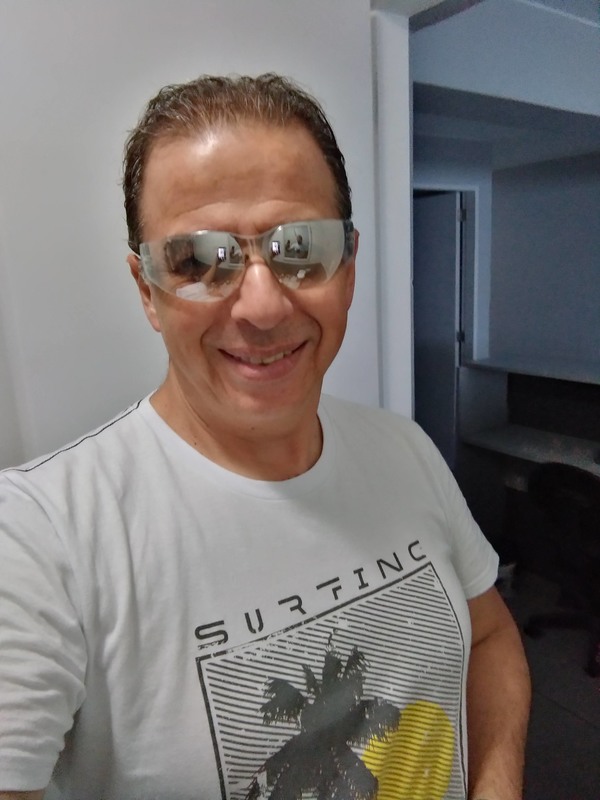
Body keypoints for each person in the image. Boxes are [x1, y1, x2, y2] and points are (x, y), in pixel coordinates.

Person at [0, 73, 530, 800]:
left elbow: (491, 637)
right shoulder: (39, 535)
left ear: (348, 267)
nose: (262, 305)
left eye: (300, 247)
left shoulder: (403, 448)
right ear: (147, 291)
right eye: (197, 261)